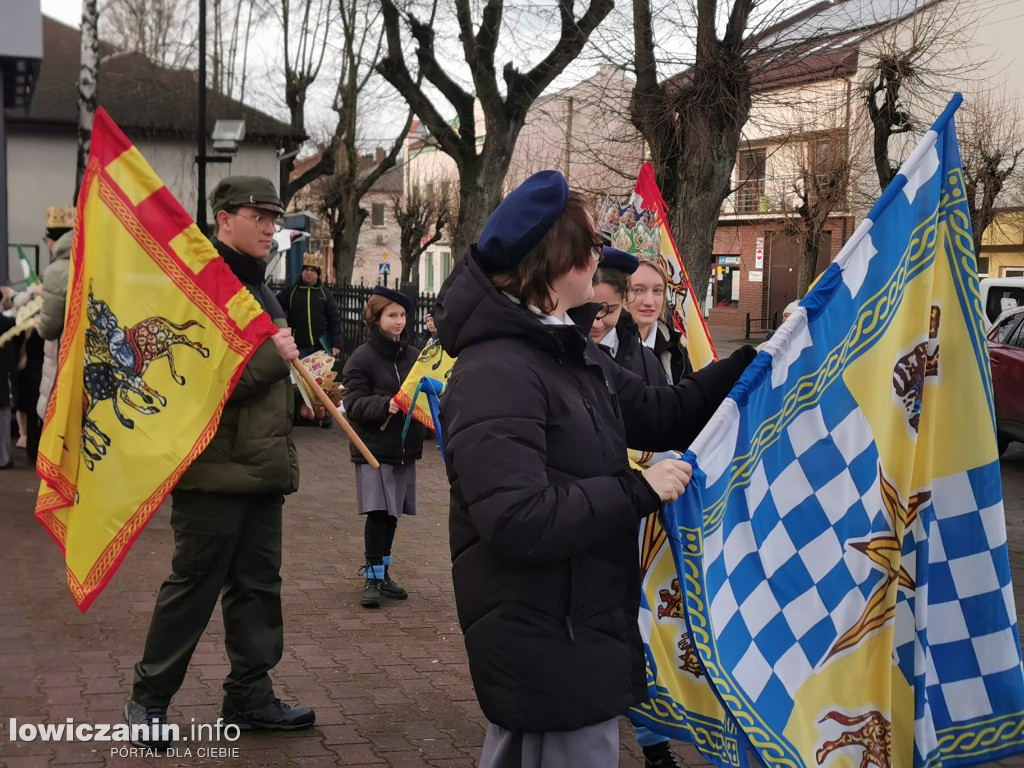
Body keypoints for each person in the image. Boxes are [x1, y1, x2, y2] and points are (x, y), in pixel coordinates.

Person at [435, 170, 756, 768]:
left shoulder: (563, 347)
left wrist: (755, 360)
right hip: (547, 631)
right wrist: (637, 490)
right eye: (591, 250)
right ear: (558, 262)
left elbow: (665, 414)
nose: (605, 267)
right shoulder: (497, 370)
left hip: (572, 623)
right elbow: (516, 517)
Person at [125, 175, 315, 748]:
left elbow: (262, 376)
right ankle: (148, 701)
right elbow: (197, 384)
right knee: (194, 585)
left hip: (261, 467)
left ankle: (250, 696)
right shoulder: (202, 287)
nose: (268, 226)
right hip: (212, 471)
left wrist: (300, 391)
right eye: (257, 214)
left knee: (258, 587)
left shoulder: (262, 290)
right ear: (222, 219)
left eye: (274, 217)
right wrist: (274, 363)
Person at [591, 246, 681, 768]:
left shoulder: (644, 358)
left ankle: (653, 740)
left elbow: (667, 418)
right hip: (596, 504)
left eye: (609, 310)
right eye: (593, 309)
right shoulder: (570, 349)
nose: (598, 321)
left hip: (639, 512)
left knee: (639, 624)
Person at [341, 286, 426, 608]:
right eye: (392, 315)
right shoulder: (362, 357)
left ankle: (383, 572)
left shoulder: (412, 355)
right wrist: (384, 404)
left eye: (402, 315)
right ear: (375, 319)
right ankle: (372, 577)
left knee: (392, 514)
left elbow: (424, 390)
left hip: (404, 446)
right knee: (378, 513)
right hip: (374, 447)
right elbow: (352, 401)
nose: (399, 321)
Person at [627, 259, 691, 384]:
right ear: (621, 294)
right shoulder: (608, 348)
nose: (649, 301)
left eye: (657, 291)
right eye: (638, 290)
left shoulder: (676, 349)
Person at [37, 225, 75, 423]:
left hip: (61, 355)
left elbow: (49, 328)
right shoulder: (92, 258)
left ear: (54, 240)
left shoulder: (57, 270)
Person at [277, 255, 343, 358]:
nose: (308, 273)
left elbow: (334, 320)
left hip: (321, 347)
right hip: (298, 347)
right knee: (300, 374)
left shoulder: (325, 294)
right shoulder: (291, 292)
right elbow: (275, 309)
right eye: (306, 269)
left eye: (312, 270)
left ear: (317, 274)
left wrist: (336, 344)